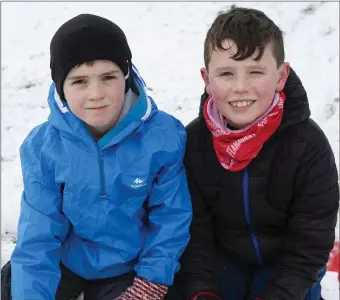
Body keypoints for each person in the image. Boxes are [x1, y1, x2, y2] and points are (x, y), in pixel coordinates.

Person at [1, 13, 192, 300]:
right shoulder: (43, 147)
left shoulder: (163, 137)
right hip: (67, 263)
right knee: (14, 281)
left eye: (108, 77)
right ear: (61, 87)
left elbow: (171, 219)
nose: (96, 94)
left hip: (130, 267)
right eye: (79, 81)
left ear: (125, 76)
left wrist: (150, 283)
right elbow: (38, 237)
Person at [166, 7, 339, 300]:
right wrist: (202, 290)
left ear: (281, 75)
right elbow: (196, 234)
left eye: (256, 71)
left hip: (287, 267)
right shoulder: (194, 142)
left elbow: (310, 241)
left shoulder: (308, 145)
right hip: (223, 262)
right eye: (226, 73)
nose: (241, 87)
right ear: (207, 79)